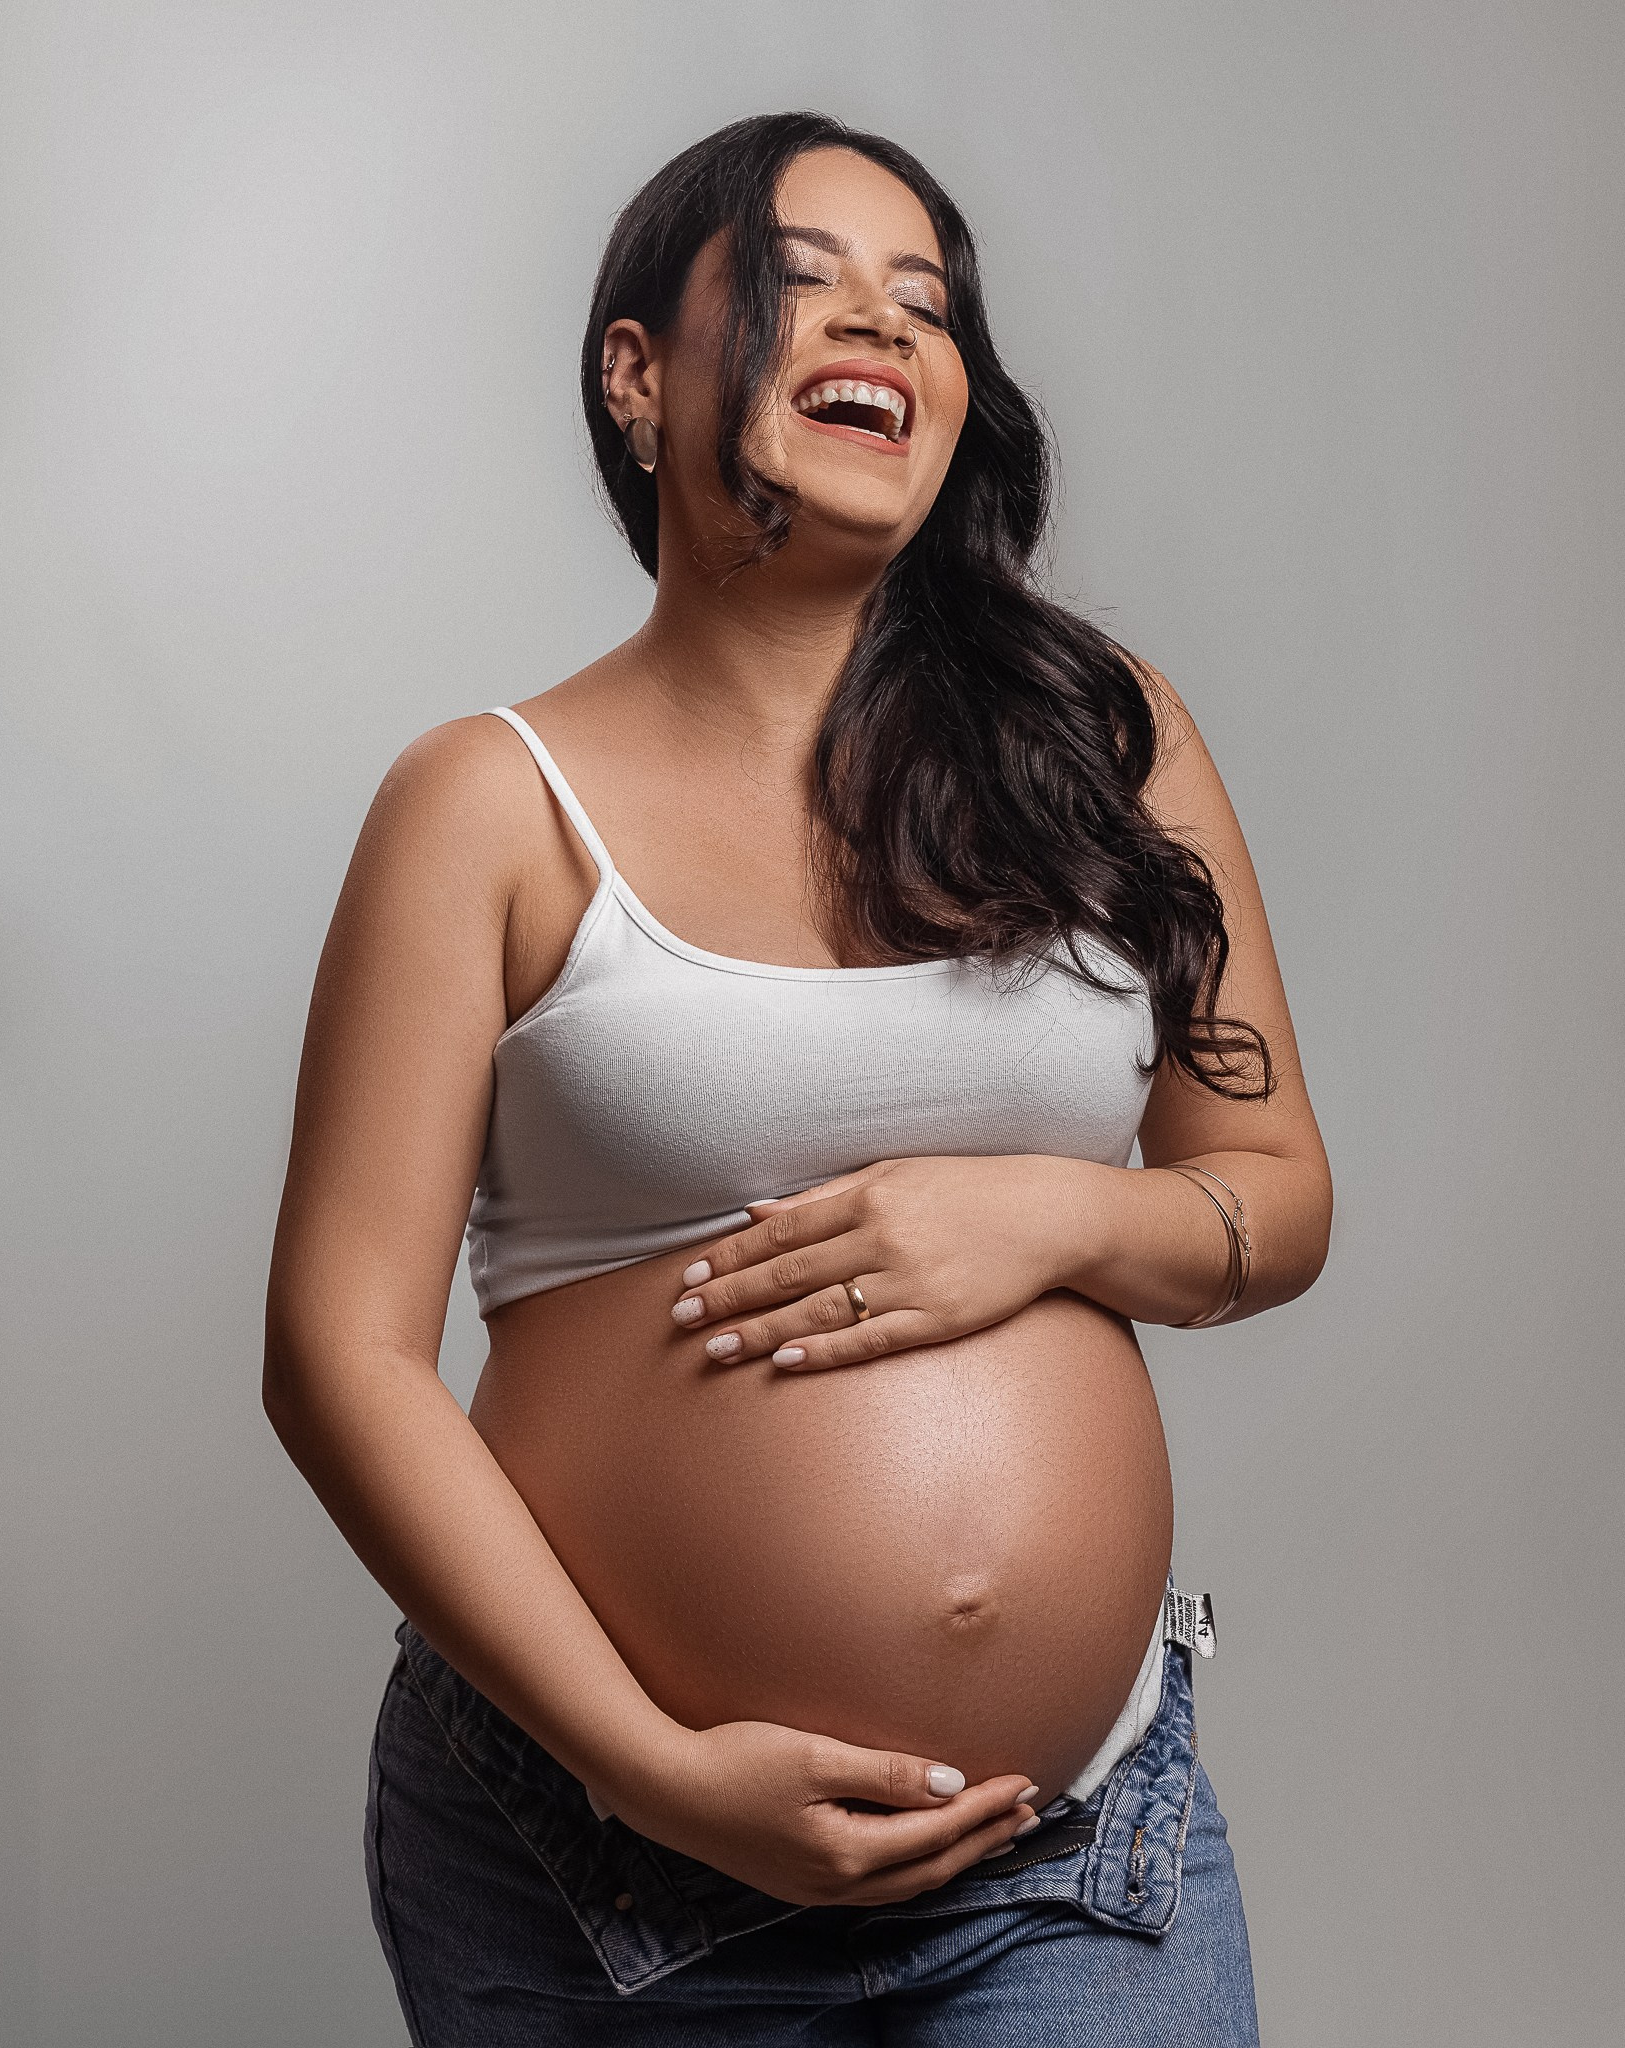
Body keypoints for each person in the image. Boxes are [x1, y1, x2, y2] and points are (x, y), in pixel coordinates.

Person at [264, 109, 1331, 2045]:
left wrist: (1056, 1216)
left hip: (1071, 1844)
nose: (887, 326)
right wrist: (655, 1767)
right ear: (637, 371)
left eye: (928, 303)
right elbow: (338, 1357)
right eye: (808, 274)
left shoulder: (1105, 738)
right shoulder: (486, 806)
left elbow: (1277, 1189)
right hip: (597, 1861)